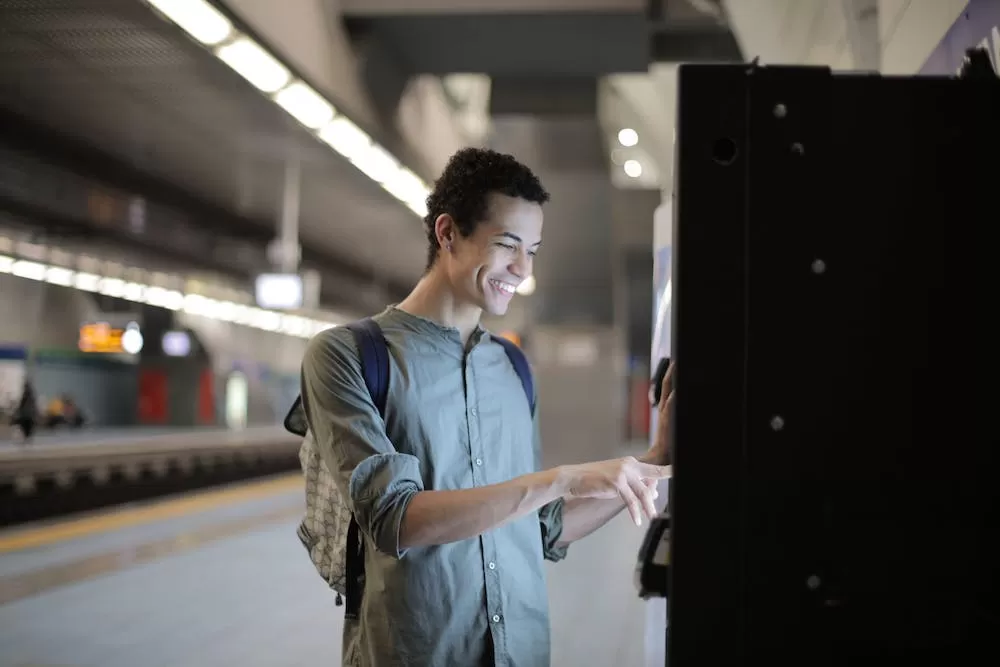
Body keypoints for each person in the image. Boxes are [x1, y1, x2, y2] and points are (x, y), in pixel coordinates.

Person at [300, 147, 675, 667]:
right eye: (506, 245)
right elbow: (396, 518)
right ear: (447, 232)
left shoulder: (513, 368)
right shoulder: (350, 355)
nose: (522, 268)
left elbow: (544, 529)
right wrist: (561, 478)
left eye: (534, 250)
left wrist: (655, 458)